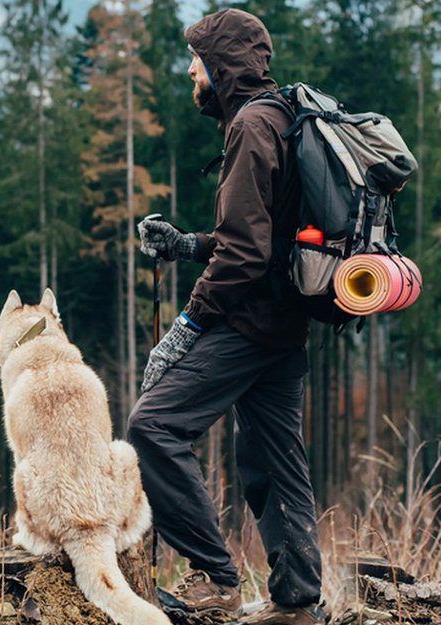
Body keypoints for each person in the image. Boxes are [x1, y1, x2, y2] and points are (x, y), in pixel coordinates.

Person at [128, 8, 321, 625]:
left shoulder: (251, 129)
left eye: (197, 60)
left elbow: (243, 255)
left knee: (153, 426)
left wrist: (184, 330)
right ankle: (296, 602)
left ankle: (214, 577)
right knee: (273, 459)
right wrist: (187, 245)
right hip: (288, 324)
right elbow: (262, 238)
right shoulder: (283, 118)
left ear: (223, 66)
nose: (190, 70)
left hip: (249, 323)